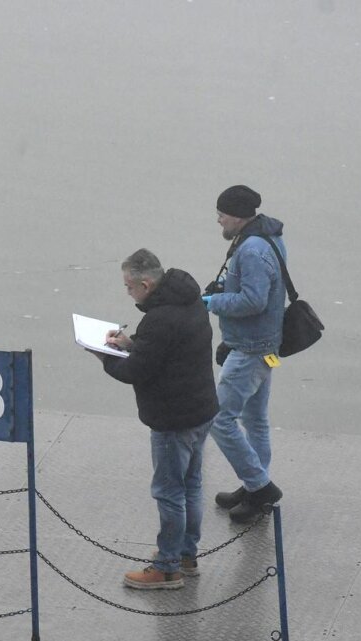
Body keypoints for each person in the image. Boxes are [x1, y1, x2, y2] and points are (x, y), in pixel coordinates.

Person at [95, 249, 219, 590]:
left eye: (129, 287)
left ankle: (166, 569)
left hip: (172, 419)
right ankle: (185, 554)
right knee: (191, 485)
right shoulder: (190, 302)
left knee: (168, 492)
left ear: (146, 284)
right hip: (201, 409)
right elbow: (163, 348)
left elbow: (136, 372)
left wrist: (104, 355)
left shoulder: (160, 318)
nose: (128, 293)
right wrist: (132, 342)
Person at [204, 185, 288, 523]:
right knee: (255, 420)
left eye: (221, 214)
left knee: (218, 418)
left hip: (251, 349)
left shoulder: (251, 250)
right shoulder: (269, 236)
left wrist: (210, 302)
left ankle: (259, 486)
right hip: (269, 347)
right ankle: (254, 485)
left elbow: (254, 300)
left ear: (237, 216)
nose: (219, 220)